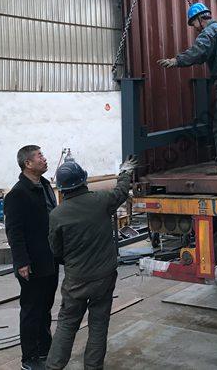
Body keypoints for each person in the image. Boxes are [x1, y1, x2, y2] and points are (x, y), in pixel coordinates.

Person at [45, 155, 138, 370]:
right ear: (84, 180)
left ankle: (53, 367)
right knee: (98, 324)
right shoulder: (101, 200)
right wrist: (125, 172)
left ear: (61, 188)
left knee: (67, 325)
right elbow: (121, 192)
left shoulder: (57, 215)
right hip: (104, 276)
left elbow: (56, 251)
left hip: (76, 280)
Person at [157, 2, 217, 175]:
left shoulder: (209, 32)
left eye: (193, 24)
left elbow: (198, 52)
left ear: (200, 19)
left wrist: (176, 61)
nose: (195, 28)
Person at [4, 145, 59, 370]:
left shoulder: (45, 186)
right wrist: (22, 262)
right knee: (31, 310)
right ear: (28, 164)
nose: (45, 159)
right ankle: (29, 358)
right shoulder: (18, 194)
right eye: (40, 156)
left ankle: (45, 350)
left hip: (50, 258)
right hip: (32, 262)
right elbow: (13, 232)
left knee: (45, 307)